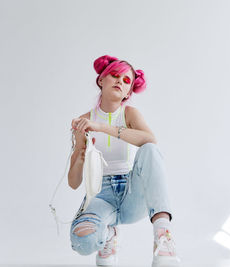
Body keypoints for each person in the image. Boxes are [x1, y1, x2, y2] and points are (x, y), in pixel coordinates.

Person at [68, 55, 181, 267]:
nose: (120, 81)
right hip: (100, 195)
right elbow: (73, 183)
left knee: (150, 150)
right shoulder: (84, 119)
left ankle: (163, 237)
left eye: (126, 80)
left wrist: (102, 128)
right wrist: (79, 156)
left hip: (132, 193)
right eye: (115, 75)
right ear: (101, 80)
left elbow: (149, 140)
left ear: (129, 93)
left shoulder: (129, 114)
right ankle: (107, 235)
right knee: (82, 242)